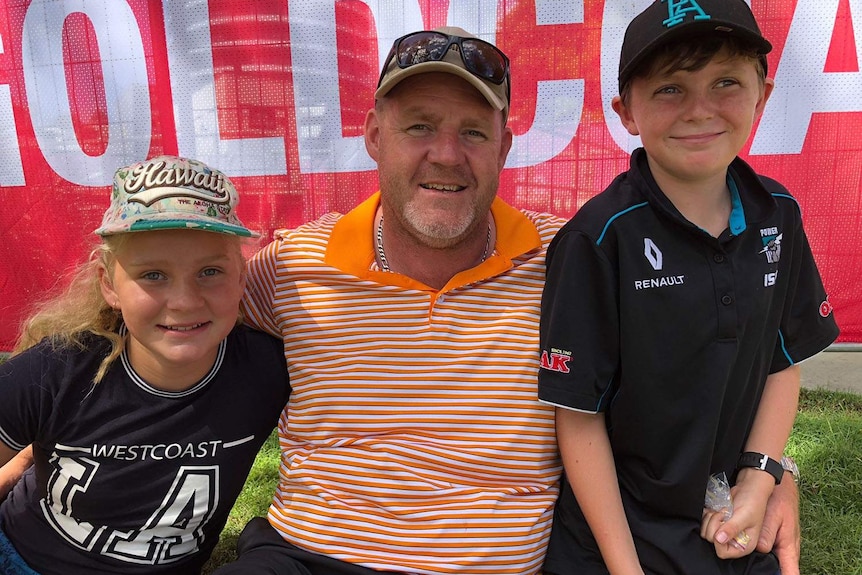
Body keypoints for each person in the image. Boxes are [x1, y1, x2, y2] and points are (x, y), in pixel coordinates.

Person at [213, 25, 804, 575]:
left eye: (473, 131)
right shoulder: (292, 267)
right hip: (309, 555)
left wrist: (772, 470)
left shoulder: (573, 258)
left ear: (504, 146)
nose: (446, 154)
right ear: (373, 136)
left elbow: (717, 360)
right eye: (419, 126)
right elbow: (170, 333)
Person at [537, 1, 840, 574]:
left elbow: (782, 360)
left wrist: (759, 477)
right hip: (616, 538)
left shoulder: (779, 213)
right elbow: (577, 415)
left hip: (729, 514)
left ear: (763, 95)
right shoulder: (598, 238)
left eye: (726, 82)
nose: (700, 110)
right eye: (670, 89)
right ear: (625, 111)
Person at [0, 156, 289, 575]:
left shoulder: (267, 371)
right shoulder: (53, 371)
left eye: (210, 271)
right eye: (153, 275)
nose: (185, 301)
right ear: (108, 284)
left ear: (242, 277)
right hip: (26, 560)